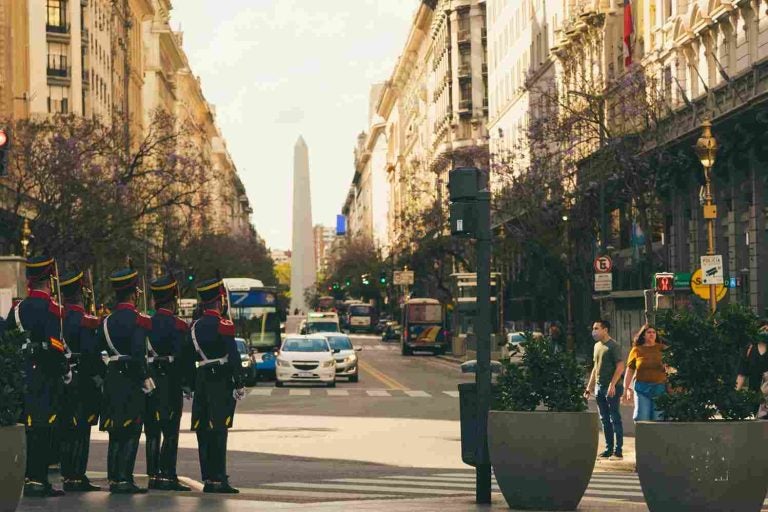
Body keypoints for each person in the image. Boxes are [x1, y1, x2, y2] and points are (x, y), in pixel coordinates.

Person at [5, 255, 69, 497]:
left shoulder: (18, 308)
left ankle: (27, 477)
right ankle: (38, 479)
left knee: (26, 428)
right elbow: (55, 347)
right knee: (42, 428)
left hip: (22, 375)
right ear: (49, 281)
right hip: (44, 376)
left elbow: (9, 340)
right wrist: (64, 370)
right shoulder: (52, 309)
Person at [95, 267, 154, 494]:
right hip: (131, 379)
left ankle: (113, 478)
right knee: (132, 428)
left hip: (113, 377)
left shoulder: (106, 322)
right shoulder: (138, 321)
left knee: (115, 430)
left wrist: (105, 372)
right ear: (134, 293)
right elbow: (139, 353)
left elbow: (92, 352)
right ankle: (124, 479)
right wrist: (145, 379)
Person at [187, 277, 246, 493]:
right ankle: (219, 478)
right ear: (220, 301)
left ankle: (208, 478)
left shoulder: (194, 327)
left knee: (203, 430)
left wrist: (189, 383)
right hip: (220, 380)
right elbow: (233, 357)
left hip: (202, 379)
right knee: (219, 430)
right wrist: (239, 382)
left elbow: (187, 357)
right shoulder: (224, 325)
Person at [144, 274, 191, 491]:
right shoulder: (179, 325)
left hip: (151, 379)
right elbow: (184, 358)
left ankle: (153, 475)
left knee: (152, 430)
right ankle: (167, 475)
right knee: (170, 430)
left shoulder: (146, 323)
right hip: (170, 381)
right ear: (173, 299)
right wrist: (188, 383)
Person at [58, 269, 101, 492]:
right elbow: (90, 353)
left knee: (66, 428)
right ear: (80, 295)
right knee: (82, 428)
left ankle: (67, 474)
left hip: (62, 379)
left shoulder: (58, 317)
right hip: (81, 380)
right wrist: (99, 376)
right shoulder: (85, 321)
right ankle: (77, 475)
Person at [584, 319, 625, 460]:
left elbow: (620, 366)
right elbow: (596, 368)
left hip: (612, 388)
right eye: (593, 328)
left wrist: (613, 384)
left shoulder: (614, 346)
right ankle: (608, 448)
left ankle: (618, 450)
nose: (593, 331)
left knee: (615, 418)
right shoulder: (596, 346)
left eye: (596, 328)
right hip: (599, 388)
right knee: (604, 419)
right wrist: (589, 387)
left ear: (605, 329)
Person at [623, 324, 667, 422]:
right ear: (643, 335)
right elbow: (630, 371)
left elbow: (672, 368)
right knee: (642, 417)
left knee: (658, 418)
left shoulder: (663, 349)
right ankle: (643, 437)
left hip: (659, 388)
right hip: (641, 388)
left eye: (653, 332)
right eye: (649, 332)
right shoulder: (637, 350)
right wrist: (626, 389)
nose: (651, 334)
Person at [736, 321, 768, 395]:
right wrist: (736, 394)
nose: (765, 332)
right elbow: (741, 374)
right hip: (753, 396)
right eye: (763, 329)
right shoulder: (749, 350)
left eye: (767, 330)